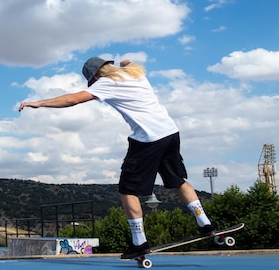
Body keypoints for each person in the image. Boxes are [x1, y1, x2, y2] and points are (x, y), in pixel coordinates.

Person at [18, 56, 215, 259]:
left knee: (127, 190)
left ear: (96, 76)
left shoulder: (106, 83)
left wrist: (39, 103)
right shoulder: (135, 73)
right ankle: (206, 224)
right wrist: (124, 63)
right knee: (177, 180)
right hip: (170, 133)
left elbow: (72, 99)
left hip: (148, 139)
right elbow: (128, 61)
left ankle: (139, 242)